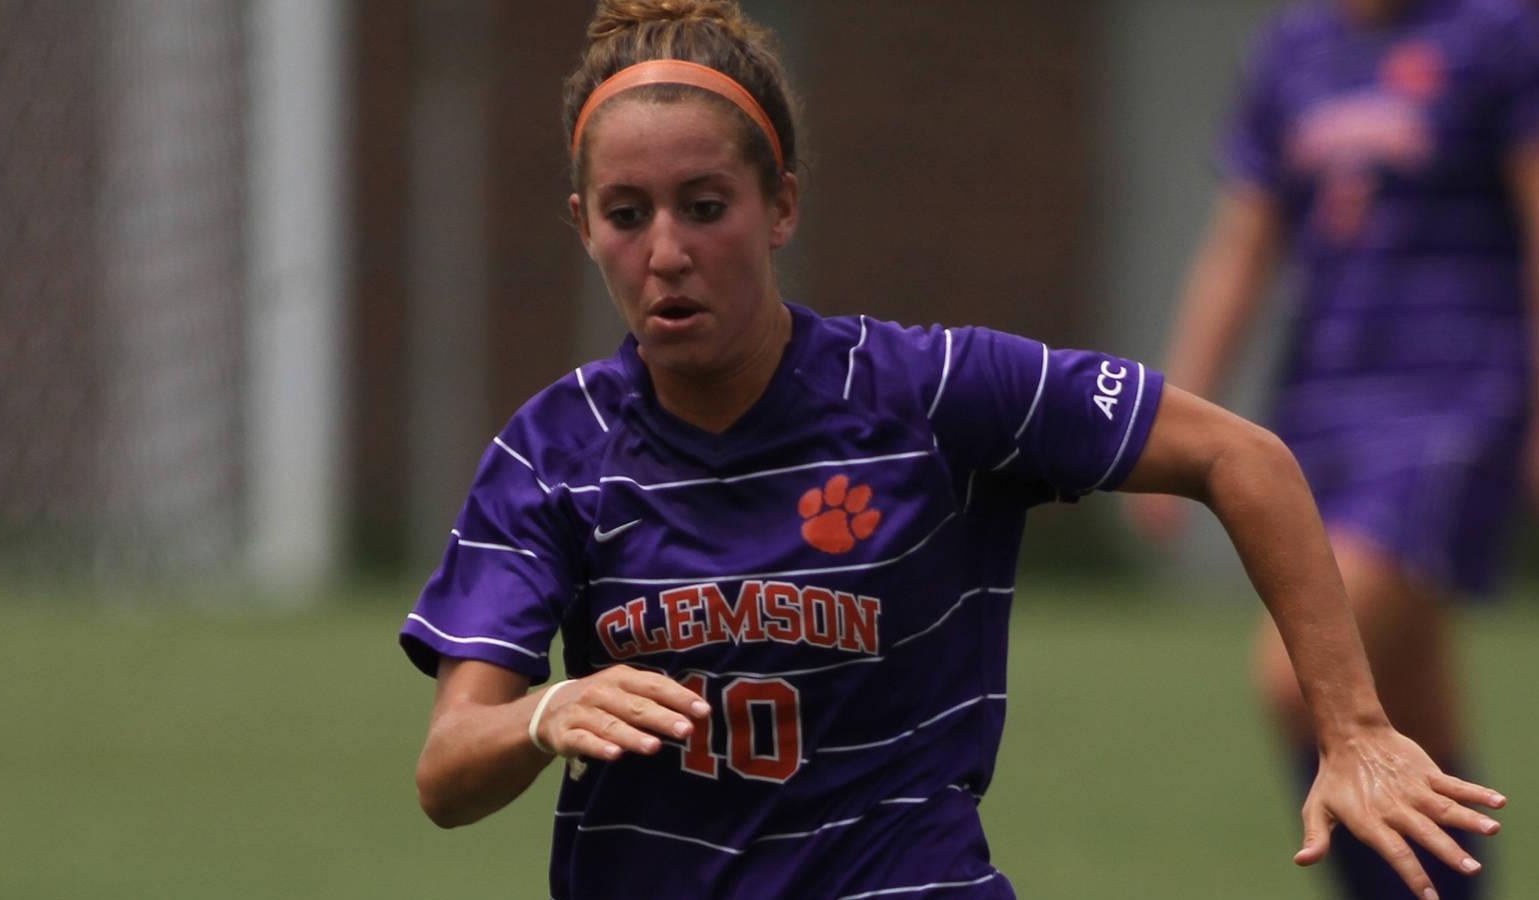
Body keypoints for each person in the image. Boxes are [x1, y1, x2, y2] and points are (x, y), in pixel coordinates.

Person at [401, 2, 1506, 898]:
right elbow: (446, 775)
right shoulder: (555, 453)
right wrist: (542, 715)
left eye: (704, 206)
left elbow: (1242, 458)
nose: (667, 253)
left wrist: (1353, 730)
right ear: (581, 223)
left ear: (780, 206)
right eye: (625, 214)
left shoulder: (926, 392)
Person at [1128, 0, 1538, 898]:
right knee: (1412, 707)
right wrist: (1170, 420)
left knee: (1301, 679)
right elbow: (1242, 242)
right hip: (1319, 406)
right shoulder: (1295, 48)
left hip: (1453, 406)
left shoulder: (1501, 32)